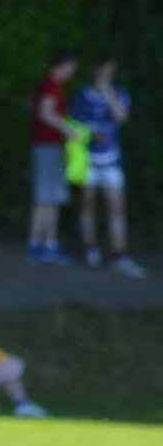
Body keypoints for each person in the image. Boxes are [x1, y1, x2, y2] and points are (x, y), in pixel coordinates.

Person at [69, 57, 147, 279]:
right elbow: (72, 124)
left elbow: (121, 117)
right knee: (87, 203)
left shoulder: (119, 93)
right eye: (104, 70)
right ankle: (90, 249)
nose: (107, 75)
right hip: (86, 160)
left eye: (111, 71)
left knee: (117, 207)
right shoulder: (81, 95)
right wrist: (90, 134)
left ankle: (119, 255)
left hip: (110, 160)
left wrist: (108, 93)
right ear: (95, 69)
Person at [25, 51, 81, 266]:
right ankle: (36, 244)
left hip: (46, 144)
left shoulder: (45, 83)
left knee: (51, 196)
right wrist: (68, 130)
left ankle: (48, 243)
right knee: (46, 196)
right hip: (48, 145)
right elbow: (45, 112)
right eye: (72, 67)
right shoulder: (52, 84)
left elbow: (29, 104)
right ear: (65, 64)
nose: (73, 72)